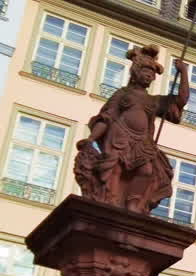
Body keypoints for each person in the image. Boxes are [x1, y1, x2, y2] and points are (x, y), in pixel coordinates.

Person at [74, 44, 189, 212]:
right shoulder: (122, 94)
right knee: (114, 170)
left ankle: (133, 203)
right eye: (146, 72)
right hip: (119, 137)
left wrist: (183, 72)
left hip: (142, 142)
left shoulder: (153, 101)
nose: (149, 76)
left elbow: (181, 99)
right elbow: (106, 118)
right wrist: (91, 139)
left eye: (151, 75)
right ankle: (110, 199)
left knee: (147, 171)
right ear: (136, 73)